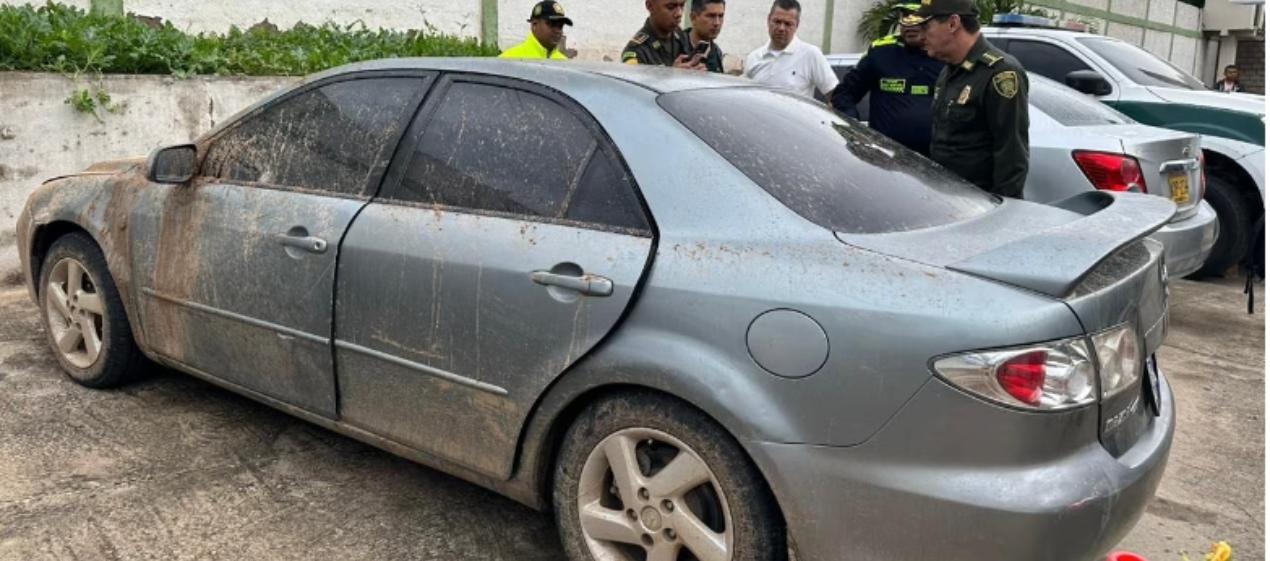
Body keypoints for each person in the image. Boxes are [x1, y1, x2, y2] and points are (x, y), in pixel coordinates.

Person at [915, 0, 1029, 198]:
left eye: (926, 26)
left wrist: (1001, 215)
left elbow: (1011, 156)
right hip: (947, 200)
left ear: (953, 23)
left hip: (979, 206)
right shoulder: (949, 71)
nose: (921, 36)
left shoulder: (1000, 73)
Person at [830, 3, 942, 155]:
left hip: (936, 161)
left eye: (917, 16)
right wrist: (855, 127)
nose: (909, 24)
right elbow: (844, 94)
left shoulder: (946, 53)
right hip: (885, 159)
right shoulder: (881, 51)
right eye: (905, 15)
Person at [743, 0, 839, 99]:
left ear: (797, 25)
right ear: (768, 20)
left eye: (788, 24)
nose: (781, 28)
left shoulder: (810, 55)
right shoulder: (753, 58)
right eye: (777, 21)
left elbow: (835, 96)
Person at [622, 0, 703, 70]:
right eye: (671, 7)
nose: (679, 13)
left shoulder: (678, 34)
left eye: (682, 5)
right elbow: (635, 87)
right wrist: (672, 75)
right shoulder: (636, 51)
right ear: (650, 6)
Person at [499, 1, 573, 60]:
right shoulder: (511, 59)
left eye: (560, 26)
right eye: (552, 24)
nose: (557, 31)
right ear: (534, 24)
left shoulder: (563, 62)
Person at [687, 0, 727, 73]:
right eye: (711, 16)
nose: (717, 23)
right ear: (693, 18)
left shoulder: (716, 52)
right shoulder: (675, 46)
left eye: (720, 16)